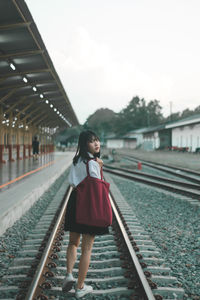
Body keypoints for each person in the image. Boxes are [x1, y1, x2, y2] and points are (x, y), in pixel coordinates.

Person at [63, 130, 109, 298]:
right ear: (85, 144)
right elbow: (98, 186)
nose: (96, 144)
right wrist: (100, 168)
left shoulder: (76, 160)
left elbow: (72, 183)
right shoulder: (94, 163)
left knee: (73, 242)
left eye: (97, 140)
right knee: (87, 248)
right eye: (92, 141)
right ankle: (80, 287)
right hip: (89, 205)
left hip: (75, 202)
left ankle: (69, 274)